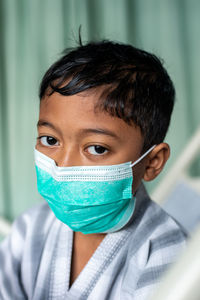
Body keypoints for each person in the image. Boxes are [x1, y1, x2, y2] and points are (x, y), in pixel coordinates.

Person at [0, 40, 186, 300]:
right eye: (50, 140)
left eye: (97, 148)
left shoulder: (166, 254)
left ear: (152, 162)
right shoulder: (32, 228)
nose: (63, 166)